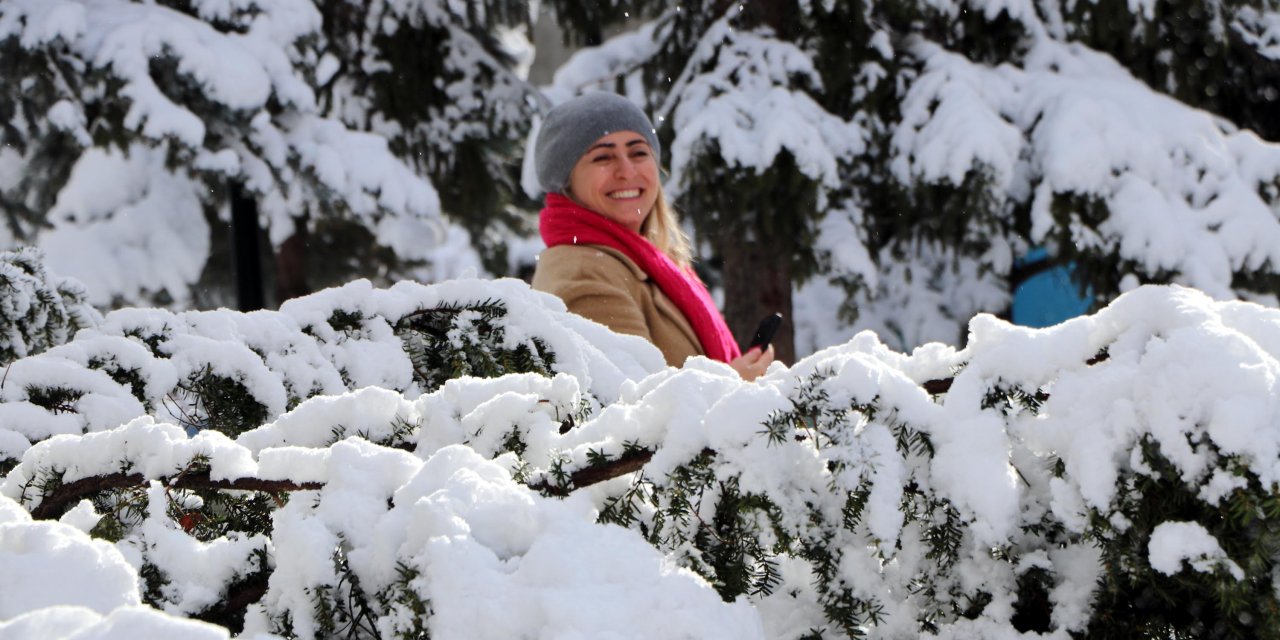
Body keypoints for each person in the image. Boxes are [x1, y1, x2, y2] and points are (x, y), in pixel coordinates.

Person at [529, 92, 774, 380]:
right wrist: (735, 382)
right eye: (603, 157)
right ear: (566, 181)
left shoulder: (648, 262)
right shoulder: (584, 272)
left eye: (638, 152)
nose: (627, 171)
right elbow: (627, 406)